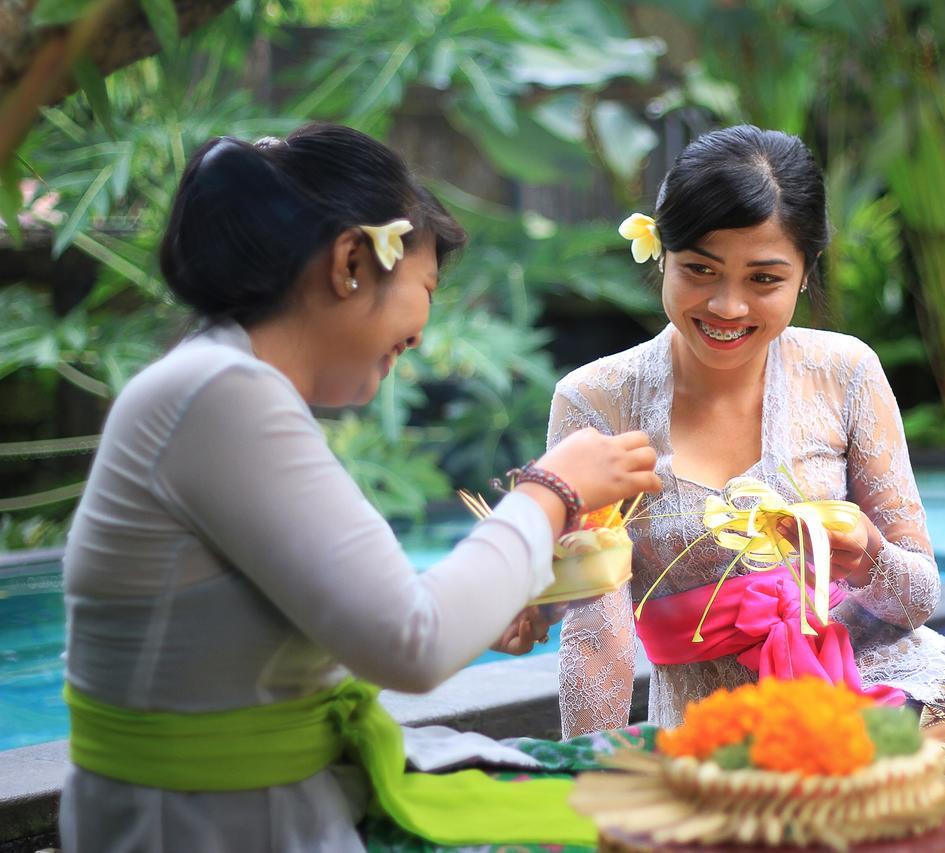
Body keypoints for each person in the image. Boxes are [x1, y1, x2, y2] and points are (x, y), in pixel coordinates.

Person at [548, 124, 945, 837]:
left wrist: (868, 556)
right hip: (719, 736)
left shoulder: (843, 373)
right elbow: (595, 634)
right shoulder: (596, 401)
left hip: (881, 691)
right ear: (662, 256)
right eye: (700, 270)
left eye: (764, 278)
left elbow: (918, 593)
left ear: (806, 273)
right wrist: (592, 800)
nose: (728, 306)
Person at [59, 122, 661, 853]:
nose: (423, 327)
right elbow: (413, 643)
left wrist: (487, 605)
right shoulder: (221, 395)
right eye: (427, 287)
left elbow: (371, 621)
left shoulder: (220, 385)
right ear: (351, 261)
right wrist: (552, 487)